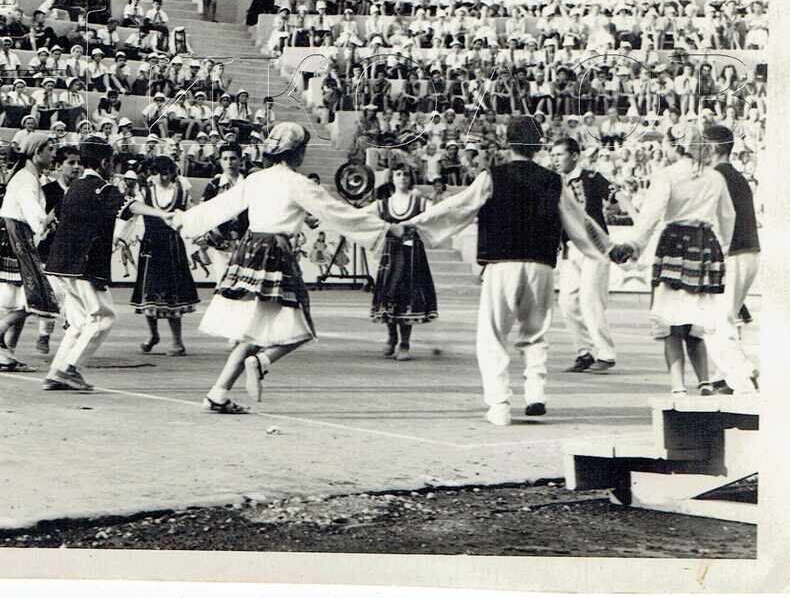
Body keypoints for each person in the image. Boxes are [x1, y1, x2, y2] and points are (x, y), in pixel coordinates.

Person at [171, 122, 413, 413]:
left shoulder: (257, 179)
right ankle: (261, 361)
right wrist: (387, 229)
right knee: (301, 328)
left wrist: (185, 219)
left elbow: (222, 206)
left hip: (249, 251)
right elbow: (338, 213)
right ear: (296, 152)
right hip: (276, 253)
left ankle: (218, 393)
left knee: (252, 330)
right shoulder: (298, 183)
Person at [408, 116, 614, 426]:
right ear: (539, 145)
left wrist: (413, 225)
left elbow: (456, 207)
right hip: (541, 266)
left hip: (502, 263)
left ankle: (500, 404)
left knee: (492, 336)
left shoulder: (493, 176)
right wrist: (609, 248)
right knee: (535, 333)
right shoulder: (554, 181)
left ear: (508, 142)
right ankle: (535, 393)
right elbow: (580, 223)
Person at [606, 134, 756, 396]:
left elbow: (650, 218)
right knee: (701, 320)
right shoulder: (715, 178)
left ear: (681, 149)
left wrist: (633, 246)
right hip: (705, 243)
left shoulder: (668, 175)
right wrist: (720, 248)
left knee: (672, 320)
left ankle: (684, 385)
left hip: (675, 243)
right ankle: (708, 381)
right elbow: (728, 217)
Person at [41, 136, 173, 392]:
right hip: (85, 264)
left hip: (60, 264)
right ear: (104, 163)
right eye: (112, 163)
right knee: (103, 317)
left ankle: (57, 371)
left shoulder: (73, 188)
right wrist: (162, 213)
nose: (114, 168)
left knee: (80, 323)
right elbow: (130, 206)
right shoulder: (102, 188)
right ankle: (71, 369)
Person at [0, 136, 60, 373]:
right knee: (39, 295)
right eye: (50, 149)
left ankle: (6, 357)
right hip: (16, 236)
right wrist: (46, 220)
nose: (53, 154)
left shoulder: (30, 177)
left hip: (17, 235)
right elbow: (32, 211)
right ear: (36, 152)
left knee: (24, 297)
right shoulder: (26, 178)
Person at [551, 137, 619, 373]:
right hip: (571, 249)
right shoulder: (555, 184)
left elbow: (616, 197)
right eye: (553, 155)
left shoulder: (592, 178)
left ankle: (606, 354)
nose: (555, 160)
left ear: (574, 155)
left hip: (595, 248)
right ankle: (584, 351)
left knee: (590, 299)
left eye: (559, 155)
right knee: (566, 301)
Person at [706, 124, 761, 394]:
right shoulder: (737, 177)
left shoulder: (714, 177)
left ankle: (743, 375)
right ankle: (722, 377)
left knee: (715, 322)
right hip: (750, 252)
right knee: (725, 318)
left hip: (732, 254)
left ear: (714, 147)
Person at [132, 156, 200, 356]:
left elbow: (192, 216)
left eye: (166, 172)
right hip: (151, 245)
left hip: (172, 247)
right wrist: (120, 236)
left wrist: (196, 237)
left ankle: (177, 342)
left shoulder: (181, 192)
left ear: (172, 172)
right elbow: (130, 215)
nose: (162, 177)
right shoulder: (144, 192)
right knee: (149, 293)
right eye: (158, 173)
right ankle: (153, 335)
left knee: (173, 294)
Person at [370, 165, 439, 361]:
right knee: (389, 293)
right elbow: (359, 217)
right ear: (392, 177)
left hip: (411, 254)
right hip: (391, 253)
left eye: (406, 174)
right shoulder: (383, 204)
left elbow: (437, 213)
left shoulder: (420, 202)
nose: (402, 177)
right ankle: (391, 337)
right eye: (398, 174)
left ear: (411, 178)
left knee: (408, 295)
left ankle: (405, 343)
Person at [33, 144, 83, 354]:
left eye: (79, 163)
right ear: (58, 166)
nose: (76, 167)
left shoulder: (83, 191)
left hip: (74, 252)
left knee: (74, 296)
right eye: (71, 163)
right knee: (53, 294)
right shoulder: (48, 191)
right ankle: (44, 333)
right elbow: (39, 222)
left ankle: (69, 335)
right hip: (50, 250)